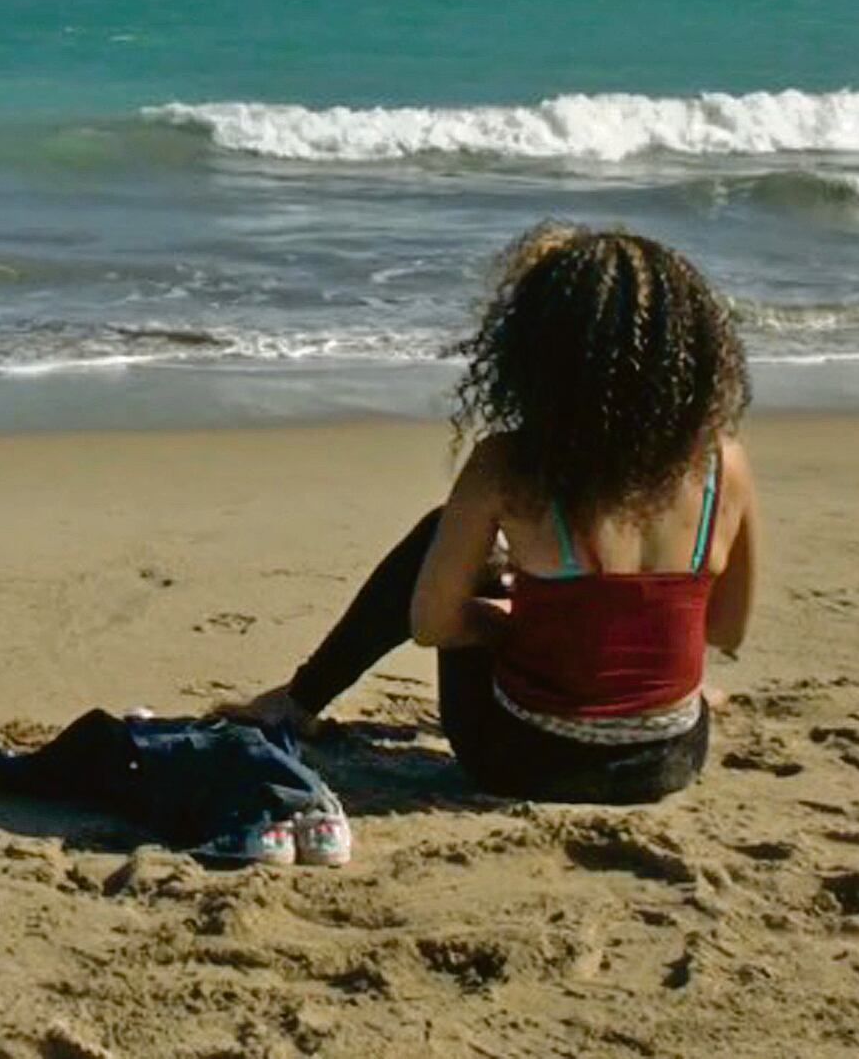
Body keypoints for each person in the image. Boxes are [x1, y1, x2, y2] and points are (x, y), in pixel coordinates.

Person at [222, 223, 758, 804]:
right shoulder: (722, 463)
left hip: (521, 761)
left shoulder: (508, 465)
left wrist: (505, 620)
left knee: (439, 539)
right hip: (670, 761)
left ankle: (298, 703)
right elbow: (725, 629)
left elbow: (433, 625)